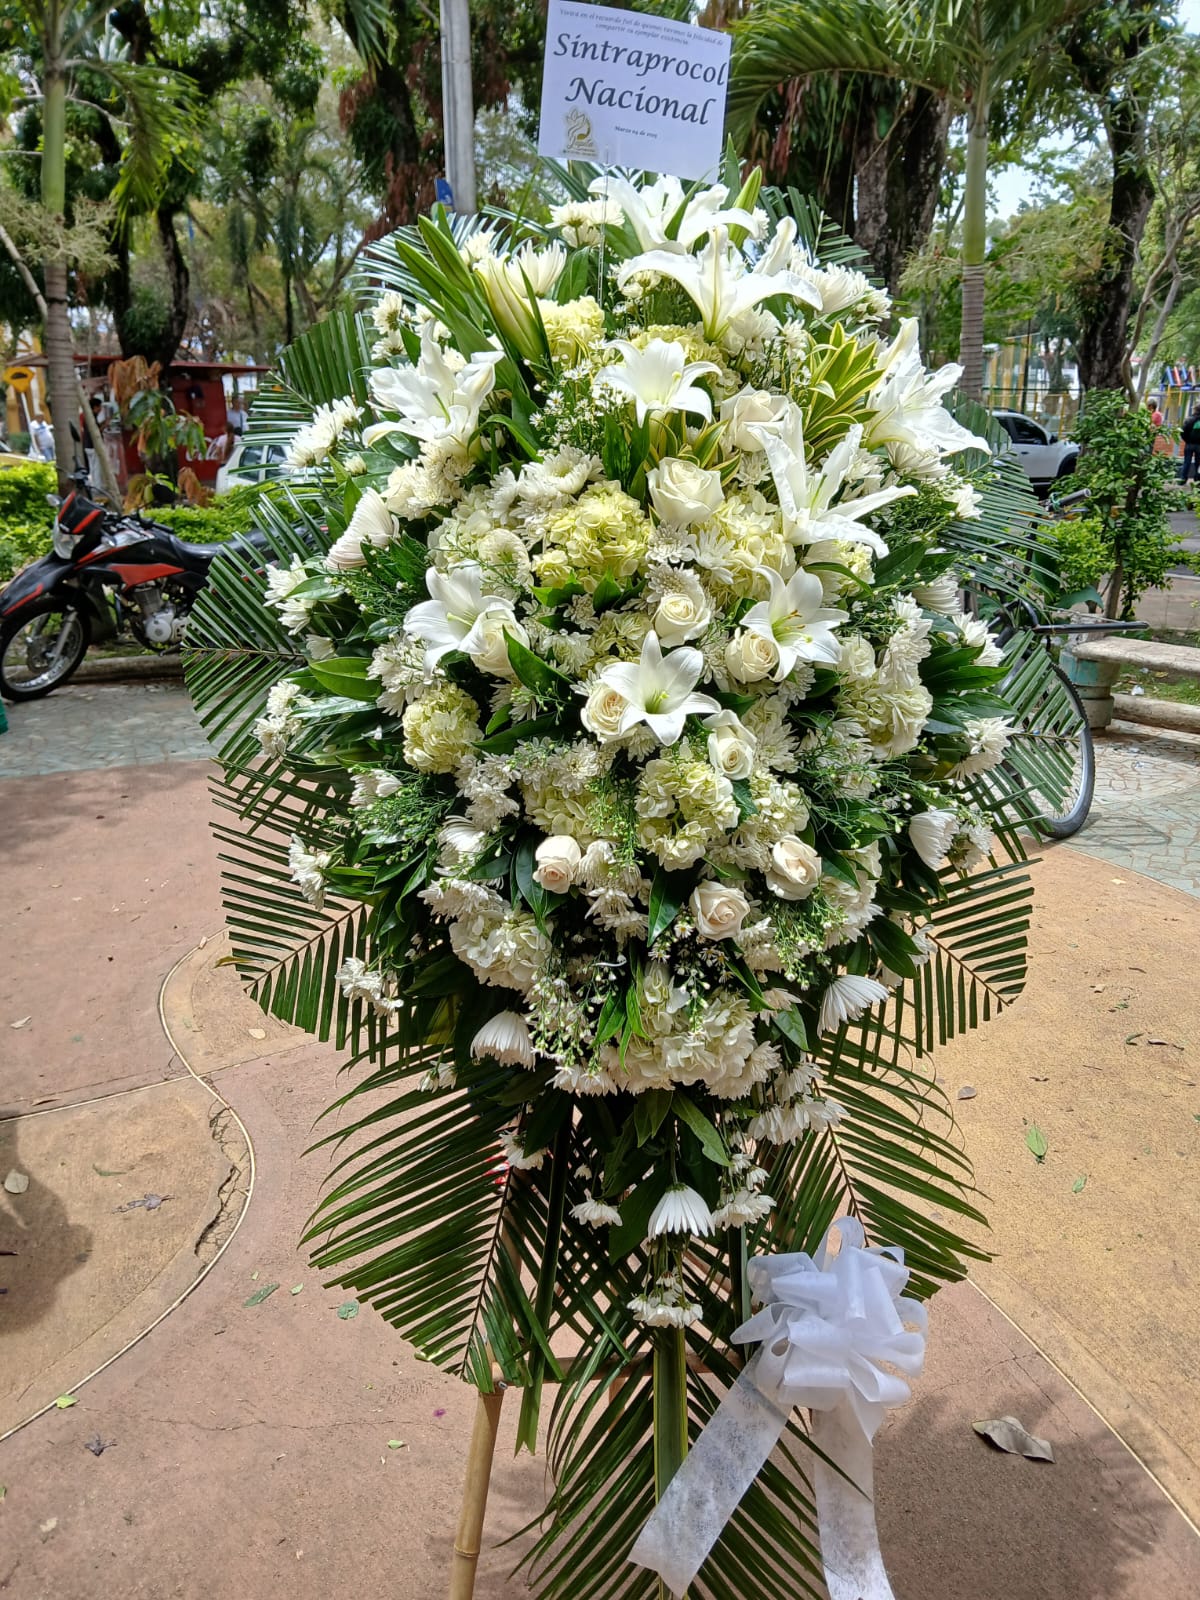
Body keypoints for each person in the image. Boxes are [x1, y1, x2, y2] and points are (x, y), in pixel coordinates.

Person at [1180, 407, 1200, 484]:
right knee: (1198, 463)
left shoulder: (1189, 419)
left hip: (1189, 444)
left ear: (1195, 410)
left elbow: (1182, 431)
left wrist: (1187, 440)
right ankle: (1197, 480)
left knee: (1187, 462)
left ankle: (1183, 479)